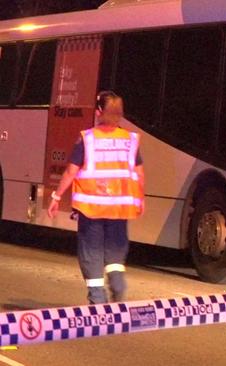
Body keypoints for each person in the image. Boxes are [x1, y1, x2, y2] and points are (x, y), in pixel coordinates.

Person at [48, 91, 145, 304]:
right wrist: (140, 199)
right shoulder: (130, 140)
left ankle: (97, 298)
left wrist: (56, 196)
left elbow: (71, 172)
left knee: (91, 251)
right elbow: (139, 174)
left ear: (99, 112)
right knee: (115, 249)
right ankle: (118, 285)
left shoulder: (88, 139)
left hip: (91, 208)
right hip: (119, 208)